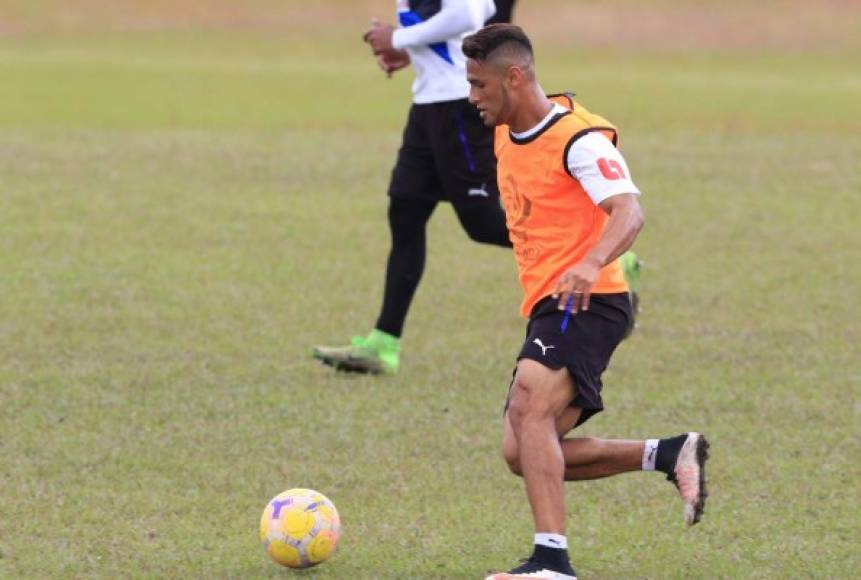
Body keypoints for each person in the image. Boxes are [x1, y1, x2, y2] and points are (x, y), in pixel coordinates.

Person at [462, 24, 709, 580]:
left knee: (530, 405)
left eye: (480, 84)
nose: (472, 96)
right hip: (551, 302)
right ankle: (668, 453)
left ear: (515, 76)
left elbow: (629, 211)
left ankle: (551, 563)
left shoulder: (580, 139)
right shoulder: (505, 132)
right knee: (520, 451)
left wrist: (591, 261)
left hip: (591, 299)